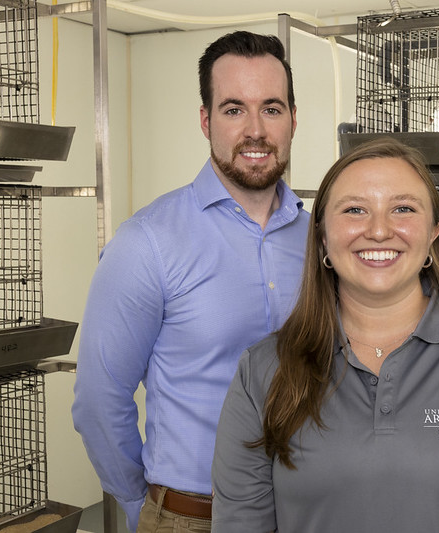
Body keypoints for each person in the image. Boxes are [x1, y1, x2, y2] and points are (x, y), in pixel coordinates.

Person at [211, 138, 439, 532]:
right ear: (322, 239)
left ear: (433, 235)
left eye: (402, 209)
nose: (379, 230)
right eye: (354, 210)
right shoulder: (262, 371)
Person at [72, 31, 307, 533]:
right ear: (205, 121)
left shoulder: (321, 241)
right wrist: (148, 508)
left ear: (292, 117)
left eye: (271, 107)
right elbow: (98, 400)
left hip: (308, 512)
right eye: (232, 109)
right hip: (193, 517)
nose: (255, 130)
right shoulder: (148, 242)